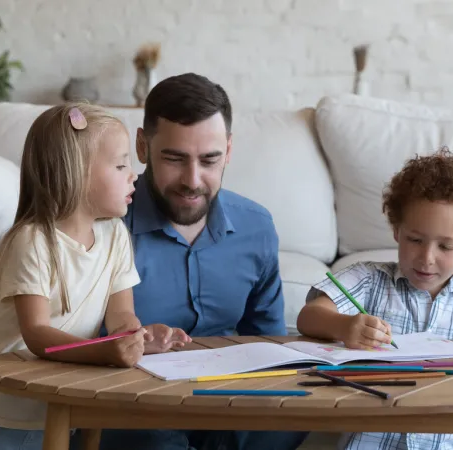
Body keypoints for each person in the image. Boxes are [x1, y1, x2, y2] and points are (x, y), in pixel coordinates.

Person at [0, 103, 191, 450]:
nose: (133, 174)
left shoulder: (116, 235)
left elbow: (120, 315)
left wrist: (135, 338)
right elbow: (36, 333)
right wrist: (107, 351)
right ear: (77, 174)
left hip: (60, 402)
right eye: (121, 164)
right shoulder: (32, 241)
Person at [96, 73, 309, 450]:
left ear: (228, 150)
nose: (193, 181)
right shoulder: (103, 229)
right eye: (175, 159)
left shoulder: (256, 227)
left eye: (209, 160)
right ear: (143, 148)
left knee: (292, 418)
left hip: (227, 399)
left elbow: (267, 342)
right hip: (136, 397)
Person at [296, 148, 453, 450]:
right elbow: (309, 316)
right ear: (397, 230)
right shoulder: (368, 280)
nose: (427, 258)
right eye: (415, 240)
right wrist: (343, 327)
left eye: (445, 246)